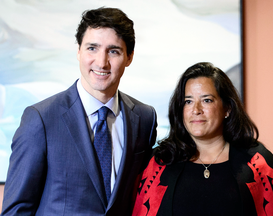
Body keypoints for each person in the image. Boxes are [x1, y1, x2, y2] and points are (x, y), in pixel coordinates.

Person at [1, 7, 157, 216]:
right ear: (78, 51)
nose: (101, 62)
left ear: (129, 57)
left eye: (113, 51)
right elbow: (16, 210)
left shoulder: (145, 118)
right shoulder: (41, 119)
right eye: (92, 48)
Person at [132, 62, 273, 216]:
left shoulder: (257, 163)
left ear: (227, 108)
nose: (196, 110)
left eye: (207, 100)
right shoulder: (159, 162)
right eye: (188, 101)